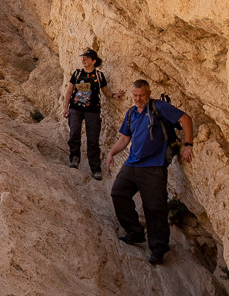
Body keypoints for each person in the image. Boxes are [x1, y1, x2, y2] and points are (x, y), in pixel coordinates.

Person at [105, 80, 194, 265]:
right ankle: (135, 232)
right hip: (132, 164)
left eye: (142, 95)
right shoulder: (131, 113)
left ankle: (159, 249)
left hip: (154, 166)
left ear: (149, 93)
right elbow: (124, 137)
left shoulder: (159, 107)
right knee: (118, 193)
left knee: (155, 208)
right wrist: (112, 153)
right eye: (135, 95)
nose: (138, 99)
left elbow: (185, 119)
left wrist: (188, 144)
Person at [63, 48, 122, 180]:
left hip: (93, 111)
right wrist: (65, 108)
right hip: (76, 109)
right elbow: (69, 91)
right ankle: (74, 158)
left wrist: (114, 95)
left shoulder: (99, 76)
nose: (83, 60)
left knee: (93, 140)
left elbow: (105, 92)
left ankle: (95, 168)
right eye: (82, 58)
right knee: (74, 133)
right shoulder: (77, 73)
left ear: (94, 61)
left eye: (86, 58)